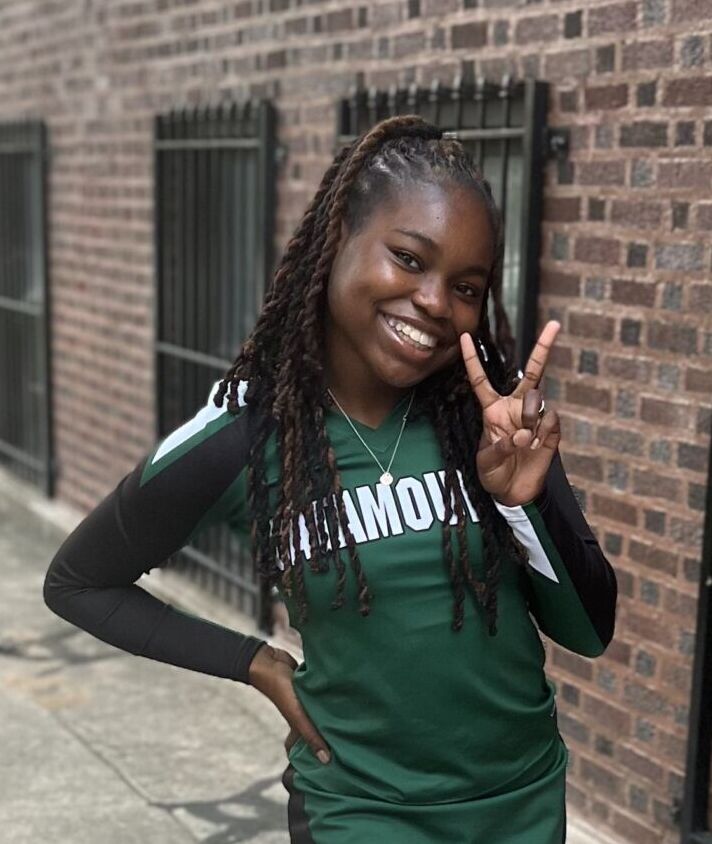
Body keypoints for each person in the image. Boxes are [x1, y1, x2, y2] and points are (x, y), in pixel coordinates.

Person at [44, 114, 617, 844]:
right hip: (361, 811)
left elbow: (590, 631)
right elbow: (78, 582)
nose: (438, 302)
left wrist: (521, 502)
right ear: (338, 233)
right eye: (410, 259)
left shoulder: (489, 417)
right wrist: (253, 661)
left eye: (466, 285)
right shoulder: (246, 433)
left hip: (521, 803)